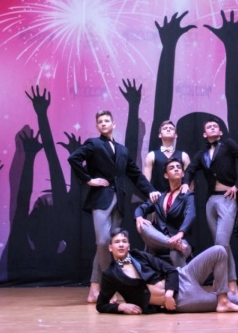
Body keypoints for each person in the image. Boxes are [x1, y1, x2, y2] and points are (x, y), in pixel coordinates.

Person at [68, 110, 160, 303]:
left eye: (106, 120)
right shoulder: (94, 143)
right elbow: (74, 158)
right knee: (103, 242)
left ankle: (95, 289)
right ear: (97, 126)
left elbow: (136, 175)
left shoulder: (122, 150)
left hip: (119, 201)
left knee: (109, 245)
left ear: (113, 124)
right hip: (100, 199)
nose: (103, 123)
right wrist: (89, 180)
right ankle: (110, 286)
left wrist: (150, 190)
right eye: (100, 121)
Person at [96, 228, 238, 314]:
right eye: (117, 242)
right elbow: (101, 305)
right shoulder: (110, 275)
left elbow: (170, 270)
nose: (121, 244)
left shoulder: (139, 256)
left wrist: (169, 292)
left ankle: (222, 299)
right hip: (183, 299)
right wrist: (121, 307)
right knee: (236, 301)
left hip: (182, 277)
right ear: (110, 248)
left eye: (124, 241)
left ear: (128, 245)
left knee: (219, 251)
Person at [181, 118, 238, 296]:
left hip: (227, 198)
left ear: (220, 132)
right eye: (209, 127)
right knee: (220, 246)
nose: (212, 128)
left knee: (221, 243)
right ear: (204, 134)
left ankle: (225, 283)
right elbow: (190, 170)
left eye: (215, 126)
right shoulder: (201, 154)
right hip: (210, 201)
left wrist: (237, 185)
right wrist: (186, 183)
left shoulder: (228, 145)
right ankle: (228, 284)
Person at [135, 158, 194, 266]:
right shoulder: (160, 197)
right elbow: (141, 208)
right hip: (160, 241)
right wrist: (138, 217)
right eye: (172, 168)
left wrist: (180, 234)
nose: (176, 169)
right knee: (143, 225)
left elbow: (191, 214)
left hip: (182, 240)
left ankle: (176, 249)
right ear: (166, 175)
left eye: (178, 167)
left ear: (183, 174)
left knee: (176, 252)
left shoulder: (187, 195)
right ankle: (173, 244)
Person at [143, 120, 190, 194]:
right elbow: (146, 182)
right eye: (165, 128)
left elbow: (189, 180)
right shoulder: (151, 156)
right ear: (160, 135)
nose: (168, 129)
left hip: (180, 197)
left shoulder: (184, 156)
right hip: (158, 197)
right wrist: (150, 194)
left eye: (171, 128)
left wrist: (187, 196)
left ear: (176, 135)